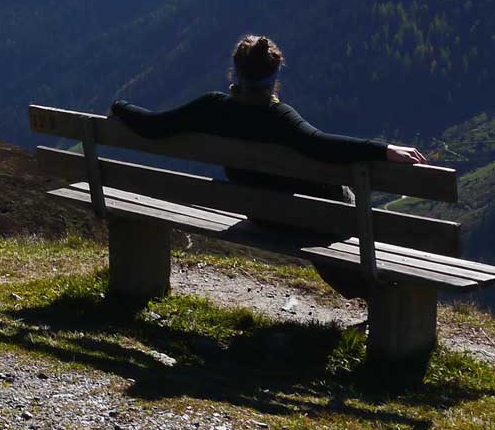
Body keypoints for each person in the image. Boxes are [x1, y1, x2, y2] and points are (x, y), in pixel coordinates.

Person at [109, 34, 425, 296]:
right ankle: (377, 292)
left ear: (234, 74)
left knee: (322, 213)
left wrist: (120, 106)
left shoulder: (210, 108)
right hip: (309, 219)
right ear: (274, 79)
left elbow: (155, 126)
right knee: (341, 203)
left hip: (263, 216)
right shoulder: (281, 117)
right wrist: (384, 150)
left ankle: (365, 289)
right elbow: (322, 145)